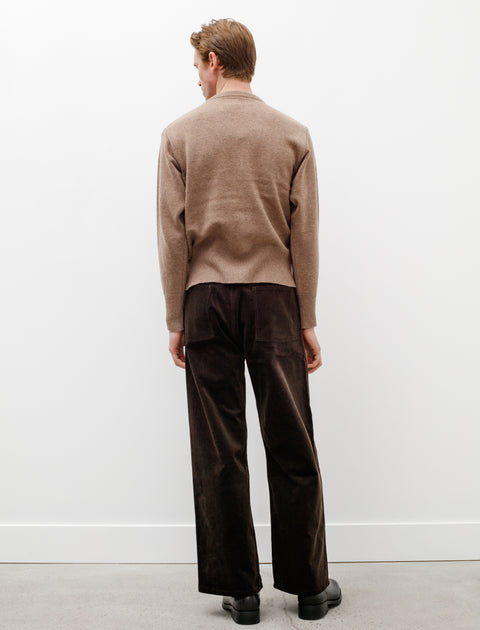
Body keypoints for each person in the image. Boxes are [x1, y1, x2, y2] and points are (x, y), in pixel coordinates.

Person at [156, 17, 342, 625]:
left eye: (197, 68)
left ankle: (241, 592)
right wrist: (306, 317)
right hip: (274, 301)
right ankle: (310, 587)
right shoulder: (292, 134)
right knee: (291, 439)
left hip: (206, 299)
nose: (196, 80)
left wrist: (175, 316)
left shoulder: (179, 135)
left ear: (214, 61)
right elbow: (304, 235)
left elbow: (173, 236)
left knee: (220, 448)